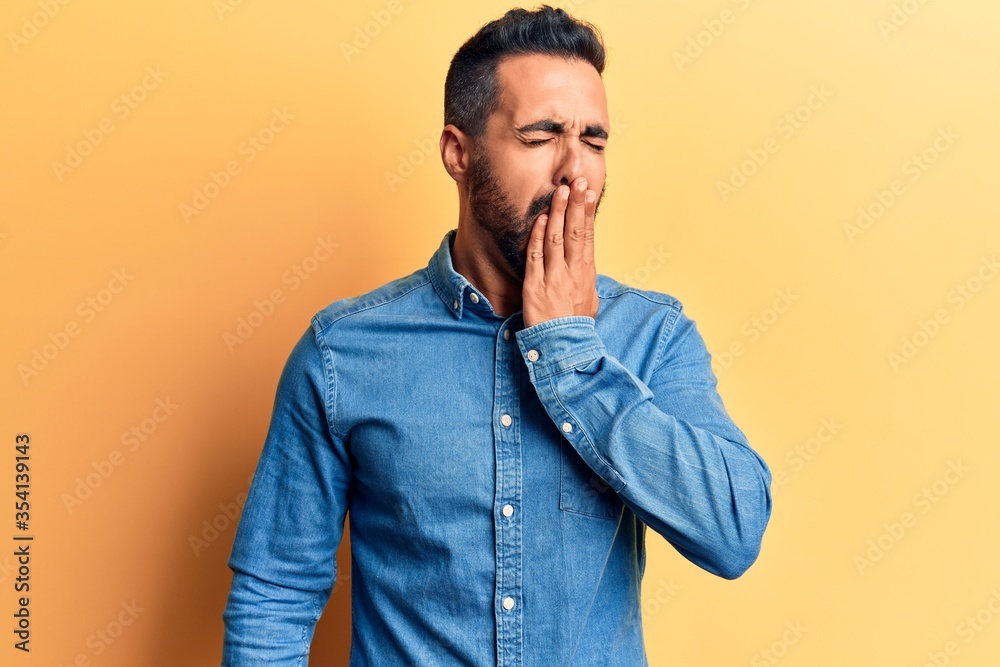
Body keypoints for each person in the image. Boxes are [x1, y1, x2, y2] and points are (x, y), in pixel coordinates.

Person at [221, 5, 772, 665]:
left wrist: (572, 354)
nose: (575, 171)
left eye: (593, 140)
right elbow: (276, 593)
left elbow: (734, 532)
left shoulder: (653, 335)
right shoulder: (343, 353)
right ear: (460, 153)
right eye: (542, 136)